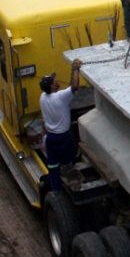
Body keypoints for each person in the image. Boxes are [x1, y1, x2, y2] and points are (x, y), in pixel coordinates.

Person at [40, 58, 82, 192]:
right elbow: (74, 86)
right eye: (54, 81)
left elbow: (51, 85)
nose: (57, 82)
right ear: (52, 86)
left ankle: (56, 190)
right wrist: (75, 69)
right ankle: (72, 186)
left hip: (51, 138)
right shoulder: (61, 98)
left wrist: (51, 77)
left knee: (53, 166)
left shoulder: (43, 97)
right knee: (68, 163)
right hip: (63, 138)